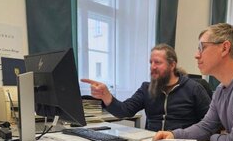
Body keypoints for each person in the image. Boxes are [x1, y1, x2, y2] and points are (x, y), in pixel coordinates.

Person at [81, 43, 211, 132]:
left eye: (158, 63)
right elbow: (125, 111)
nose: (152, 67)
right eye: (151, 62)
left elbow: (209, 123)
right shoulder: (146, 88)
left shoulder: (194, 88)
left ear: (172, 65)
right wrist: (106, 96)